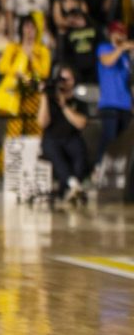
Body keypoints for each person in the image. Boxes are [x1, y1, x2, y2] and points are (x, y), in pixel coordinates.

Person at [0, 16, 52, 168]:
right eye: (26, 27)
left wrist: (31, 55)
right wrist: (21, 56)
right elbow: (3, 67)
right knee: (14, 133)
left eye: (32, 27)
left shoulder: (42, 50)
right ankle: (6, 169)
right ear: (21, 29)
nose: (29, 31)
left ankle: (34, 166)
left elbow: (44, 72)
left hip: (35, 92)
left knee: (36, 133)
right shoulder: (13, 48)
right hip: (17, 95)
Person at [38, 65, 89, 203]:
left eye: (68, 79)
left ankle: (68, 188)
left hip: (71, 138)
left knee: (79, 152)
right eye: (62, 79)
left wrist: (64, 105)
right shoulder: (49, 101)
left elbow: (81, 123)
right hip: (52, 138)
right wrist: (44, 97)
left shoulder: (79, 103)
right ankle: (74, 186)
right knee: (54, 152)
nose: (65, 82)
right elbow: (42, 123)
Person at [96, 21, 134, 164]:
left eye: (123, 33)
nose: (121, 36)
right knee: (108, 140)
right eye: (118, 32)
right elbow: (108, 62)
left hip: (125, 104)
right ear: (111, 34)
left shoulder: (126, 57)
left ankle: (118, 173)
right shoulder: (104, 48)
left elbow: (129, 81)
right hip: (109, 103)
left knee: (124, 144)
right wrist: (121, 47)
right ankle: (99, 168)